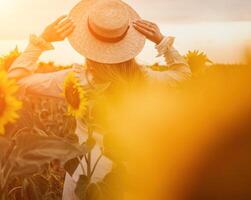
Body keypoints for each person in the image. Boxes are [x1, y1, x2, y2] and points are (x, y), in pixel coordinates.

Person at [8, 0, 191, 198]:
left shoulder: (76, 80)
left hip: (87, 175)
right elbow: (183, 75)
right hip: (135, 173)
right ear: (128, 39)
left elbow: (16, 80)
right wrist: (161, 41)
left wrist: (41, 42)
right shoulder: (145, 79)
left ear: (87, 42)